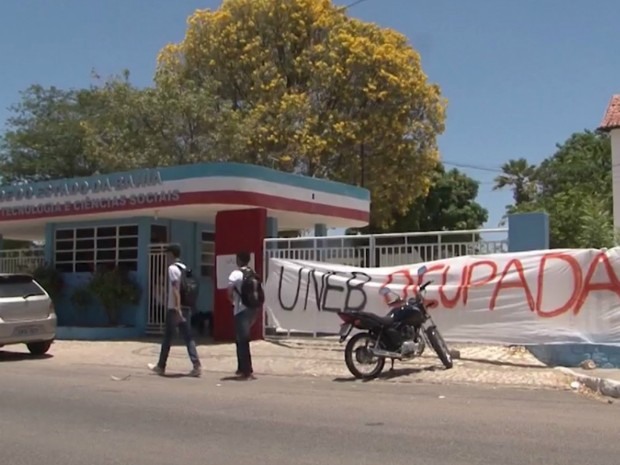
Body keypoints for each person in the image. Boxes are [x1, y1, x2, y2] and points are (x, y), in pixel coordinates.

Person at [149, 244, 202, 377]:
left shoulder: (172, 268)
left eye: (167, 254)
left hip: (175, 308)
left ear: (172, 254)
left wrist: (177, 308)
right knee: (188, 337)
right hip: (186, 306)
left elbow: (175, 289)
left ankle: (161, 366)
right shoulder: (185, 268)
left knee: (167, 338)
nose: (166, 257)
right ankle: (197, 366)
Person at [227, 251, 262, 380]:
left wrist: (233, 302)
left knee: (242, 340)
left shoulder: (236, 274)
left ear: (238, 260)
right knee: (241, 339)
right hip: (253, 309)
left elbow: (229, 291)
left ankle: (247, 370)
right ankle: (241, 368)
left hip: (240, 310)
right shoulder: (253, 274)